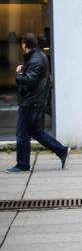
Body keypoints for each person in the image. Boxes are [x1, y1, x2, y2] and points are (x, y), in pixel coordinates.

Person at [5, 33, 70, 173]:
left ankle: (22, 164)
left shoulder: (35, 59)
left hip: (31, 102)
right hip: (35, 101)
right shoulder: (39, 56)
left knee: (22, 134)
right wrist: (25, 70)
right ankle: (62, 151)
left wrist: (19, 75)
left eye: (22, 43)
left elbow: (30, 80)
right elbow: (34, 76)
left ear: (24, 44)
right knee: (36, 132)